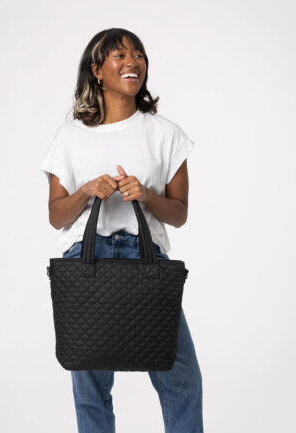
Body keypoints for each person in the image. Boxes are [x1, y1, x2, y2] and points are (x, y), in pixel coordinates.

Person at [41, 28, 204, 433]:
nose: (132, 62)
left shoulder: (166, 134)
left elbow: (179, 214)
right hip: (86, 262)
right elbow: (57, 216)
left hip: (146, 262)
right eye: (119, 55)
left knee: (181, 379)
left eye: (139, 55)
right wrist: (85, 191)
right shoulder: (70, 137)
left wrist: (146, 195)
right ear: (97, 70)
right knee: (90, 386)